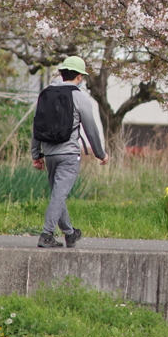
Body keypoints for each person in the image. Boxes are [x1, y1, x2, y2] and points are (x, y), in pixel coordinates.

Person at [31, 55, 109, 248]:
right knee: (59, 195)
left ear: (61, 73)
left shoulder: (45, 94)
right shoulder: (80, 97)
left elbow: (36, 125)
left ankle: (70, 233)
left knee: (58, 194)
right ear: (80, 77)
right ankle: (46, 234)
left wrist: (36, 153)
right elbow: (91, 129)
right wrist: (101, 153)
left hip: (49, 154)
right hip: (69, 155)